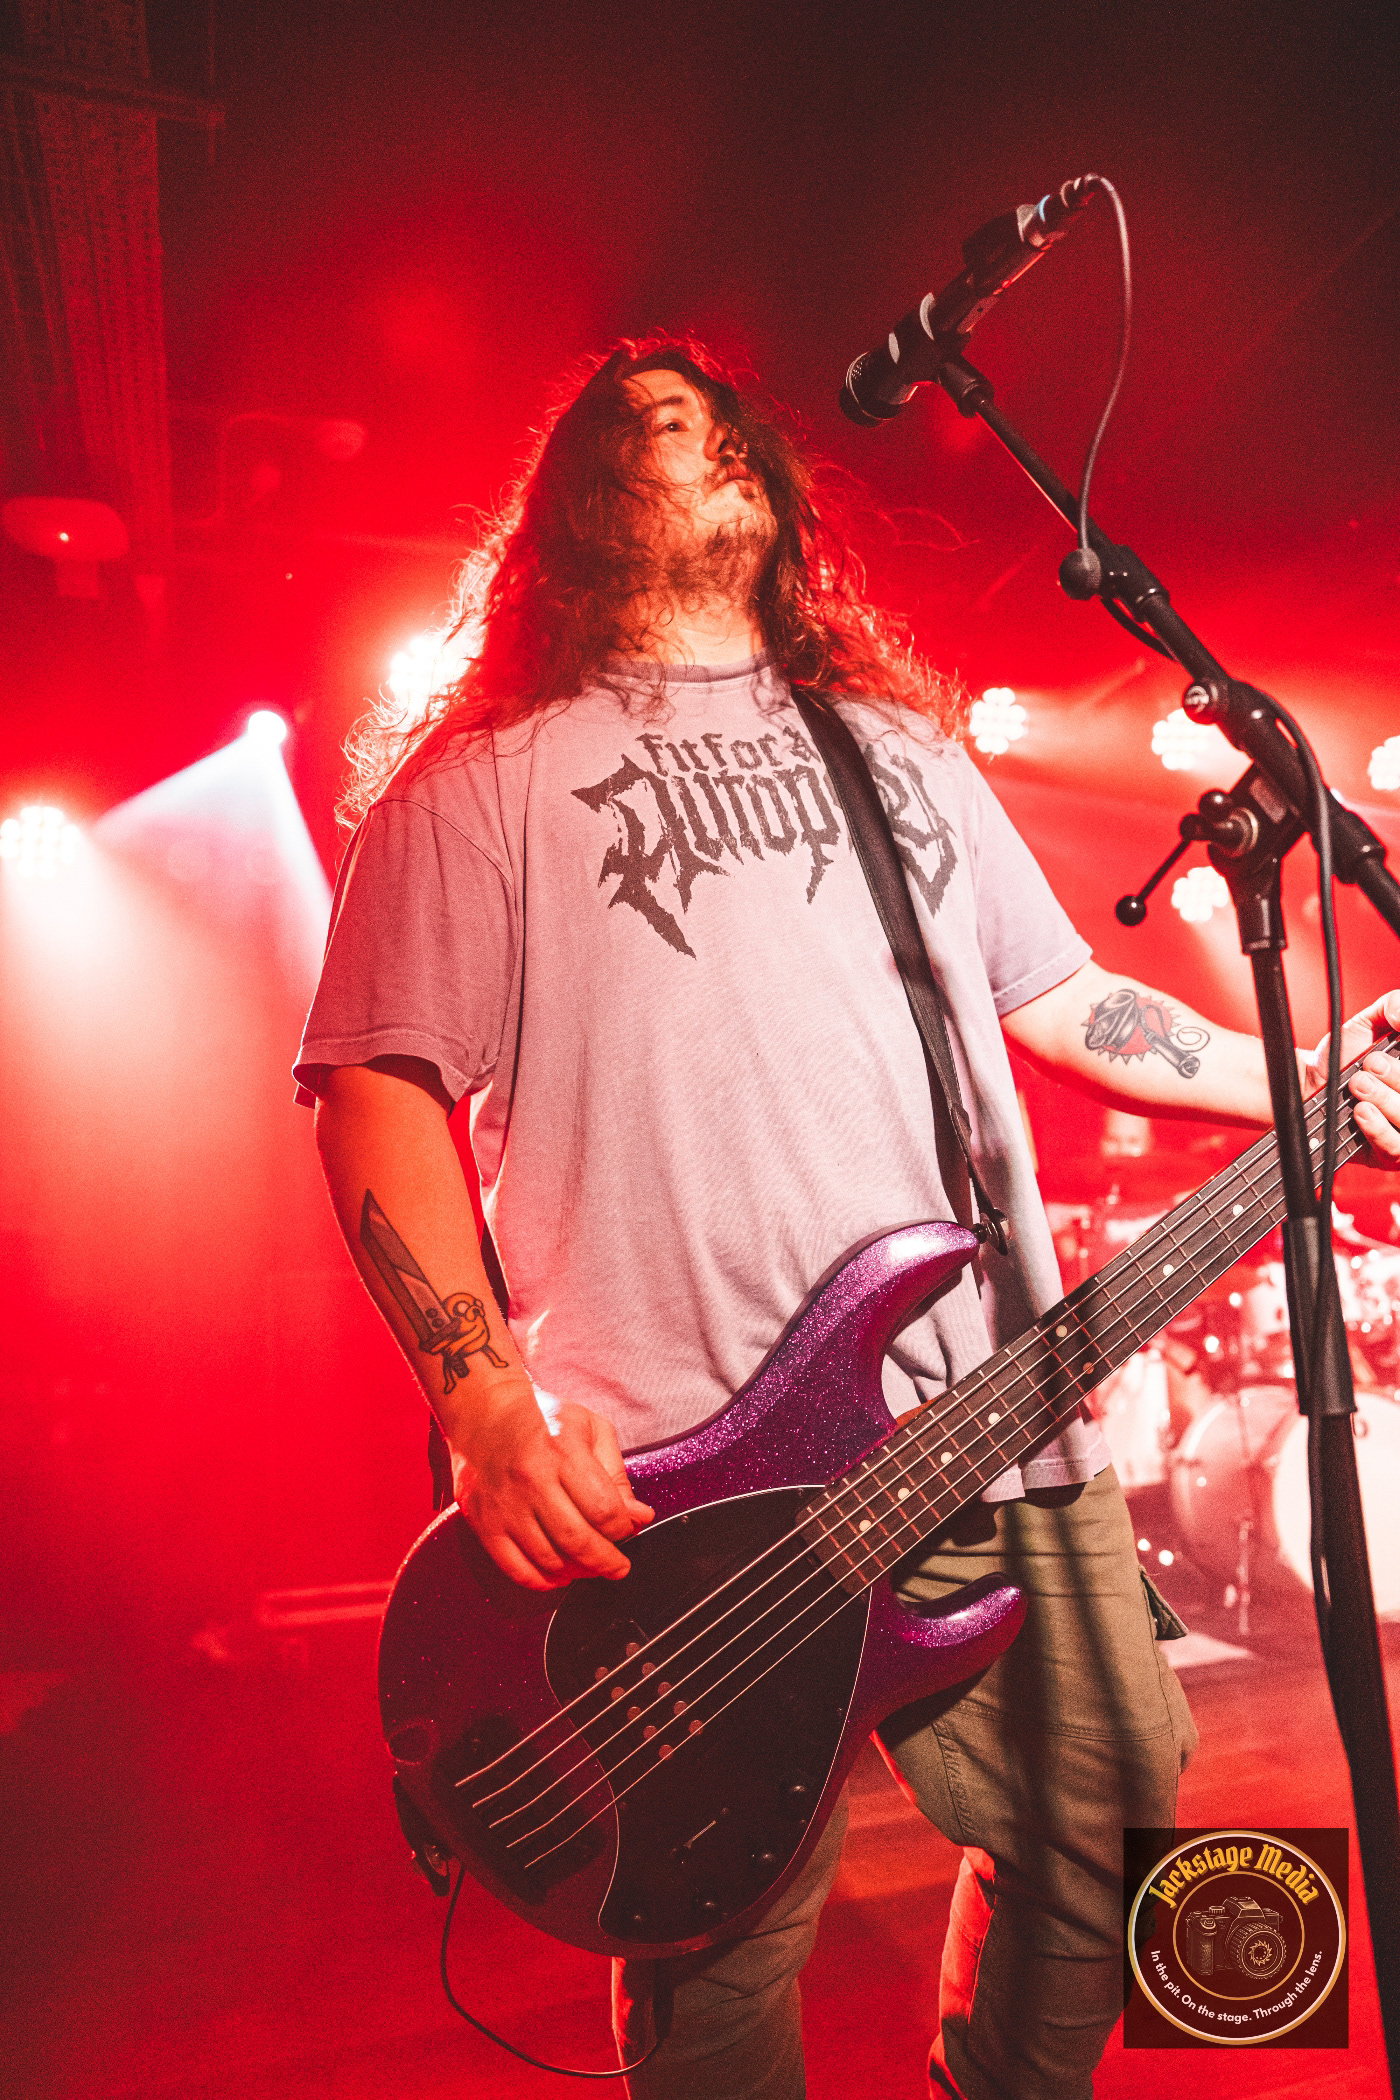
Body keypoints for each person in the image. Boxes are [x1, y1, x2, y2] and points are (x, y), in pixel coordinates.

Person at [295, 338, 1400, 2100]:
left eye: (720, 418)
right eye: (648, 422)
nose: (698, 428)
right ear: (574, 507)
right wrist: (483, 1399)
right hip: (679, 1486)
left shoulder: (900, 751)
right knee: (723, 1937)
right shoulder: (474, 784)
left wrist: (1311, 1071)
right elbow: (373, 1090)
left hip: (986, 1426)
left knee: (1117, 1816)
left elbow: (1070, 1005)